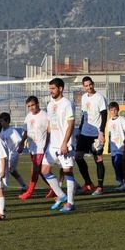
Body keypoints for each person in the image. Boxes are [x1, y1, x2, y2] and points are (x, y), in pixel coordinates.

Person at [42, 78, 76, 213]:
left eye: (53, 89)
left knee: (68, 172)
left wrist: (64, 143)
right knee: (44, 170)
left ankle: (71, 202)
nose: (51, 91)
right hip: (52, 145)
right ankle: (62, 196)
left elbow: (71, 124)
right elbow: (50, 124)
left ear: (60, 89)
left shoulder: (67, 104)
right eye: (50, 89)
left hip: (64, 144)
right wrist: (47, 142)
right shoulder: (50, 104)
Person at [75, 76, 108, 195]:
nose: (89, 87)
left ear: (93, 84)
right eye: (86, 85)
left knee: (98, 159)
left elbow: (104, 115)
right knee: (78, 157)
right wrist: (79, 130)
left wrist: (101, 132)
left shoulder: (99, 97)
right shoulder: (83, 97)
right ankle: (88, 183)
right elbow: (84, 115)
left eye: (90, 85)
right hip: (84, 132)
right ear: (83, 87)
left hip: (96, 134)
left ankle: (100, 187)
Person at [18, 96, 50, 200]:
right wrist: (22, 142)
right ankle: (54, 188)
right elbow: (26, 131)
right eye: (29, 106)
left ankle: (29, 192)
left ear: (37, 104)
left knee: (35, 171)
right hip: (32, 147)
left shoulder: (45, 116)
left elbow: (49, 132)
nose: (31, 108)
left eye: (32, 105)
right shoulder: (28, 116)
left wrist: (47, 144)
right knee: (40, 171)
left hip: (41, 147)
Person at [0, 112, 27, 192]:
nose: (0, 123)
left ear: (7, 121)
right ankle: (24, 186)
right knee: (12, 171)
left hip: (12, 155)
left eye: (1, 121)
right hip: (4, 155)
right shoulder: (1, 131)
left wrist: (17, 149)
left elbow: (18, 141)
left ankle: (1, 188)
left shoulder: (12, 131)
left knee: (6, 170)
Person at [107, 102, 125, 191]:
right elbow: (110, 134)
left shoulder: (122, 119)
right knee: (114, 164)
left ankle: (123, 182)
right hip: (113, 147)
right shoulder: (109, 122)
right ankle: (121, 182)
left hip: (121, 146)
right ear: (109, 111)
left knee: (117, 162)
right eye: (111, 110)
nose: (113, 112)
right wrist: (108, 146)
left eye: (115, 109)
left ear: (118, 110)